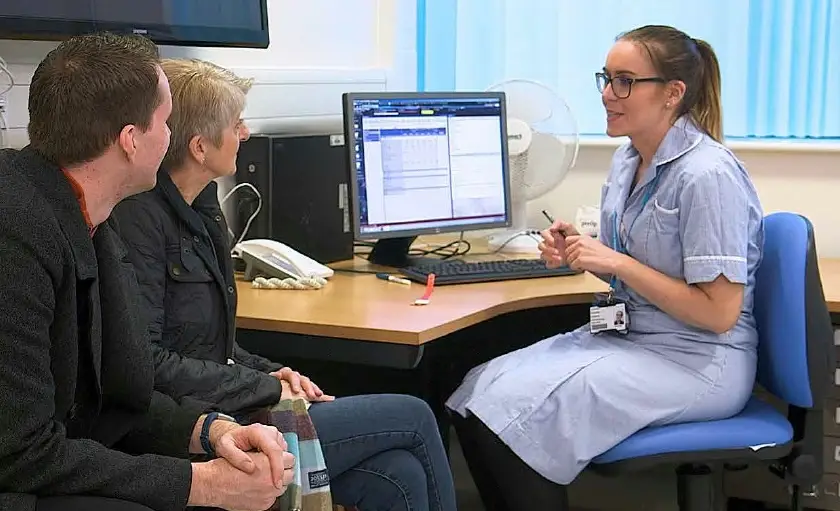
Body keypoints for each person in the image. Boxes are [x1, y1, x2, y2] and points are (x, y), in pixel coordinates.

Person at [111, 58, 457, 511]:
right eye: (236, 124)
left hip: (227, 400)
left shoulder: (202, 207)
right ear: (199, 146)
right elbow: (150, 363)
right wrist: (264, 387)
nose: (245, 133)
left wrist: (271, 371)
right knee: (415, 415)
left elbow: (213, 346)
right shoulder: (139, 220)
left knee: (398, 474)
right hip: (195, 425)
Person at [446, 24, 765, 511]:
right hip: (632, 338)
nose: (607, 94)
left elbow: (718, 313)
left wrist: (616, 261)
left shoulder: (707, 175)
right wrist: (580, 251)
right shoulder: (628, 160)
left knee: (507, 416)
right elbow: (633, 270)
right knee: (475, 392)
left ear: (673, 94)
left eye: (625, 81)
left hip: (697, 360)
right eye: (606, 78)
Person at [0, 34, 302, 511]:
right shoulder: (16, 235)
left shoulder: (87, 218)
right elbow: (20, 452)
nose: (170, 137)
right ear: (131, 140)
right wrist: (202, 484)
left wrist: (209, 430)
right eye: (165, 122)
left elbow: (113, 400)